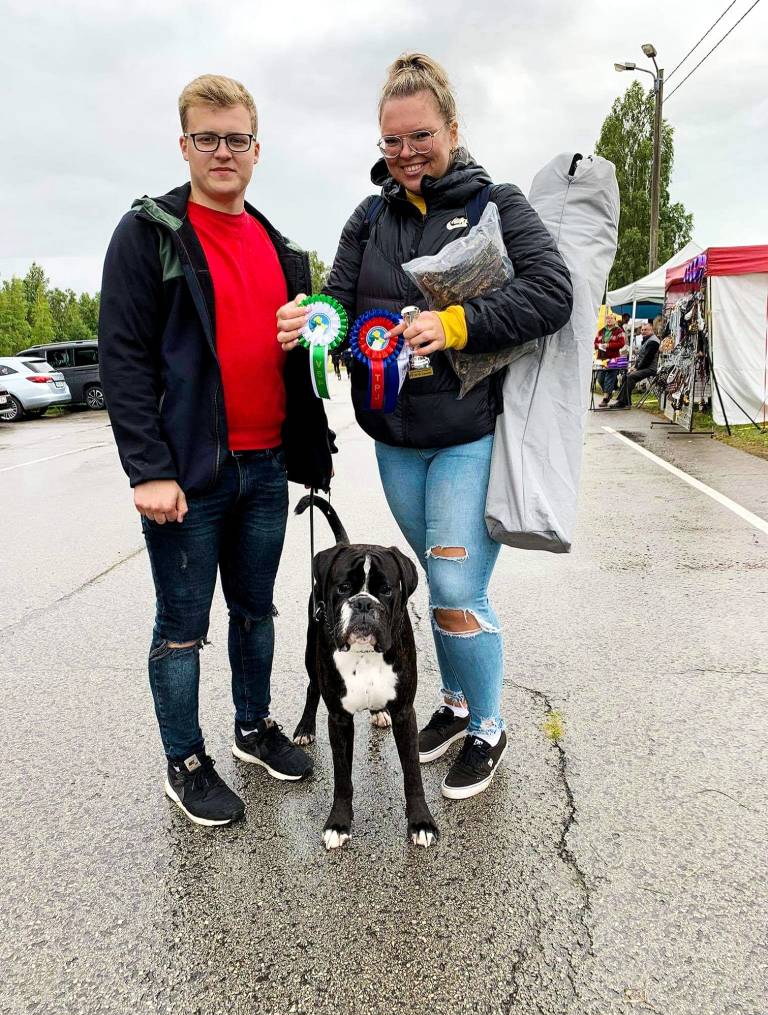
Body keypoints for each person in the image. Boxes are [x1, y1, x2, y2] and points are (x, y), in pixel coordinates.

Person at [277, 53, 572, 800]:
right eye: (392, 141)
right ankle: (455, 702)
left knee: (455, 588)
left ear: (452, 129)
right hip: (395, 444)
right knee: (430, 586)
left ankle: (489, 727)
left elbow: (552, 292)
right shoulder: (368, 217)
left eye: (421, 136)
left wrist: (456, 322)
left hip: (468, 434)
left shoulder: (496, 204)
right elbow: (340, 301)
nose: (406, 153)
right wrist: (315, 322)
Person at [99, 74, 332, 828]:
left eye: (236, 139)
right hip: (189, 476)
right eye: (207, 138)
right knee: (181, 629)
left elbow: (301, 357)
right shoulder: (150, 234)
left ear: (257, 149)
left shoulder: (281, 249)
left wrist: (310, 445)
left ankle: (252, 728)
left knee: (256, 612)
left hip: (266, 468)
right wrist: (149, 470)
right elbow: (123, 358)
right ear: (184, 145)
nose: (222, 152)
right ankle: (186, 762)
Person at [610, 321, 660, 408]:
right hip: (645, 367)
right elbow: (641, 356)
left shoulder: (653, 342)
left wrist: (637, 368)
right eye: (642, 330)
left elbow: (647, 359)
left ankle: (622, 402)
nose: (643, 331)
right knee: (626, 375)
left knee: (631, 376)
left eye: (646, 330)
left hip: (650, 368)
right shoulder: (647, 340)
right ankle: (626, 401)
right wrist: (635, 366)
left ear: (651, 330)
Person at [594, 312, 625, 407]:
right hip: (601, 358)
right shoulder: (601, 331)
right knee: (600, 378)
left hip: (613, 358)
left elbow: (621, 343)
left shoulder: (618, 331)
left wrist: (608, 345)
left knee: (609, 378)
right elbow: (595, 343)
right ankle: (610, 390)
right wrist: (600, 345)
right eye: (607, 318)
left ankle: (605, 398)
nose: (609, 320)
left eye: (611, 318)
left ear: (615, 320)